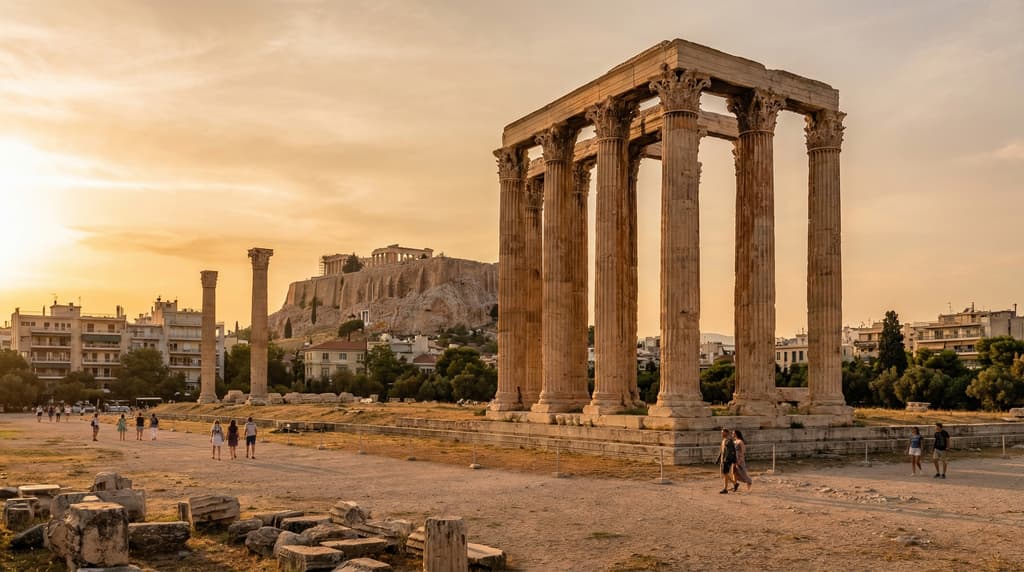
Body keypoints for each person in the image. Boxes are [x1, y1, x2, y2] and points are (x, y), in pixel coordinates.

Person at [717, 428, 737, 494]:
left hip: (727, 460)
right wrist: (718, 459)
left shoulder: (729, 441)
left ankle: (733, 484)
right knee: (725, 474)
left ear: (726, 433)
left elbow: (731, 452)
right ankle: (727, 488)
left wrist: (728, 460)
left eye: (723, 432)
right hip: (723, 459)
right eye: (721, 432)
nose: (721, 434)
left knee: (725, 473)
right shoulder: (724, 440)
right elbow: (722, 451)